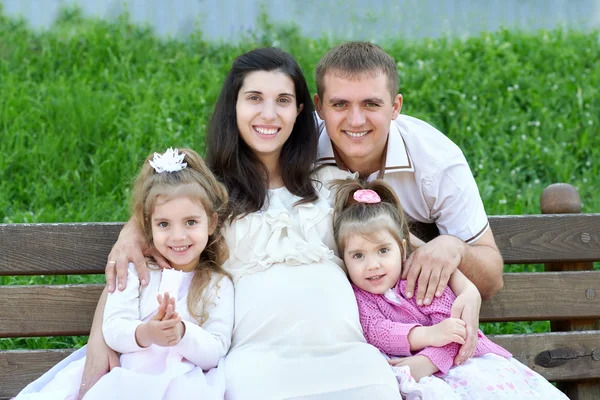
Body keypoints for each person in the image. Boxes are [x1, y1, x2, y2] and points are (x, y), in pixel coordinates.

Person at [79, 47, 481, 399]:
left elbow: (402, 243)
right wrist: (99, 340)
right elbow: (140, 263)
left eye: (283, 100)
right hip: (257, 360)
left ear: (301, 111)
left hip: (350, 355)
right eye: (254, 98)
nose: (268, 114)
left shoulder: (332, 186)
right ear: (233, 106)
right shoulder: (210, 199)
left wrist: (468, 290)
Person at [16, 148, 234, 400]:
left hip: (183, 383)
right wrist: (147, 334)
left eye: (191, 222)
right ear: (148, 226)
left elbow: (217, 350)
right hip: (127, 375)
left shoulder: (217, 285)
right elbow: (114, 327)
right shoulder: (138, 271)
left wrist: (182, 333)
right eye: (164, 224)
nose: (178, 236)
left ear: (212, 222)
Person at [330, 178, 568, 399]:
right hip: (418, 376)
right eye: (358, 255)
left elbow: (457, 332)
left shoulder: (421, 280)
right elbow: (376, 330)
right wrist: (428, 336)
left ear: (402, 249)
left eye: (383, 250)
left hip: (464, 364)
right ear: (344, 259)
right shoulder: (358, 298)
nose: (373, 265)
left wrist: (428, 360)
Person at [313, 41, 504, 305]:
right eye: (340, 105)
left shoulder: (437, 161)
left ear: (395, 107)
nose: (356, 120)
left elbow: (492, 278)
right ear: (319, 107)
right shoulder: (293, 148)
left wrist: (455, 248)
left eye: (371, 104)